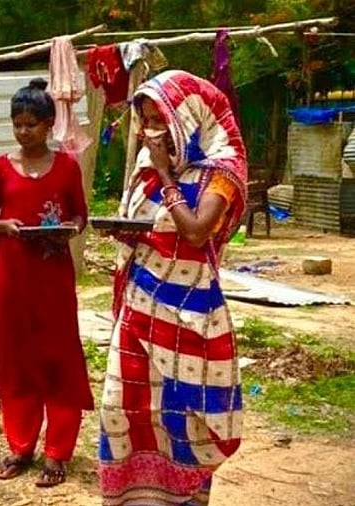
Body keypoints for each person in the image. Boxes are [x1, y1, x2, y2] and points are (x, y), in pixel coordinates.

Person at [98, 70, 248, 506]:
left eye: (159, 118)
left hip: (191, 311)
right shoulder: (148, 168)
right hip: (140, 306)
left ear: (187, 116)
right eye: (144, 120)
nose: (150, 131)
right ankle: (138, 496)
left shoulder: (222, 169)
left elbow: (198, 231)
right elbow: (145, 227)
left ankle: (186, 495)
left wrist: (165, 175)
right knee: (127, 407)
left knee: (188, 415)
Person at [0, 78, 94, 487]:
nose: (23, 131)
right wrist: (1, 226)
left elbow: (81, 215)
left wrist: (68, 230)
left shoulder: (66, 167)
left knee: (59, 360)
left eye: (31, 124)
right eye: (17, 123)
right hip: (11, 280)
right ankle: (21, 447)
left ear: (49, 125)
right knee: (17, 362)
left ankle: (58, 453)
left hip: (53, 278)